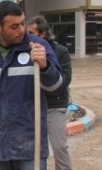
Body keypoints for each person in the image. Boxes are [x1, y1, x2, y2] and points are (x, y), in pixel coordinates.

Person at [0, 0, 64, 170]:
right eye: (14, 26)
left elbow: (57, 89)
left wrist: (46, 66)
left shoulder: (39, 47)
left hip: (30, 143)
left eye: (23, 23)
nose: (22, 30)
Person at [26, 15, 73, 170]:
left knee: (59, 147)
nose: (28, 36)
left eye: (32, 33)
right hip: (32, 106)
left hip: (54, 105)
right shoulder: (25, 51)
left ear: (43, 34)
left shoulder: (61, 51)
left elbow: (65, 80)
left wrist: (47, 69)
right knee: (33, 148)